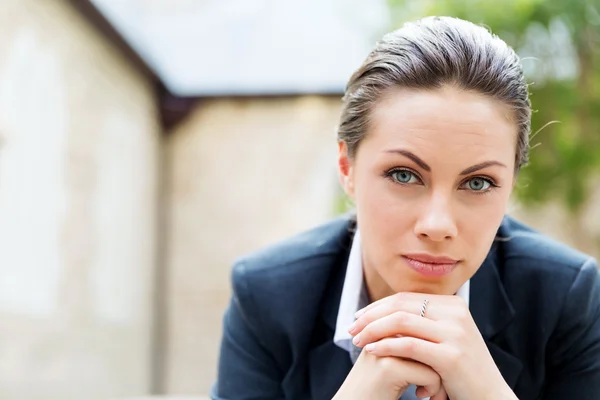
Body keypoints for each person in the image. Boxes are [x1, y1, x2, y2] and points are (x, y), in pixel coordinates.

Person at [210, 16, 600, 400]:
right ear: (347, 168)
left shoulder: (566, 296)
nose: (437, 225)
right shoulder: (267, 294)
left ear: (510, 184)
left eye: (477, 183)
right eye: (403, 175)